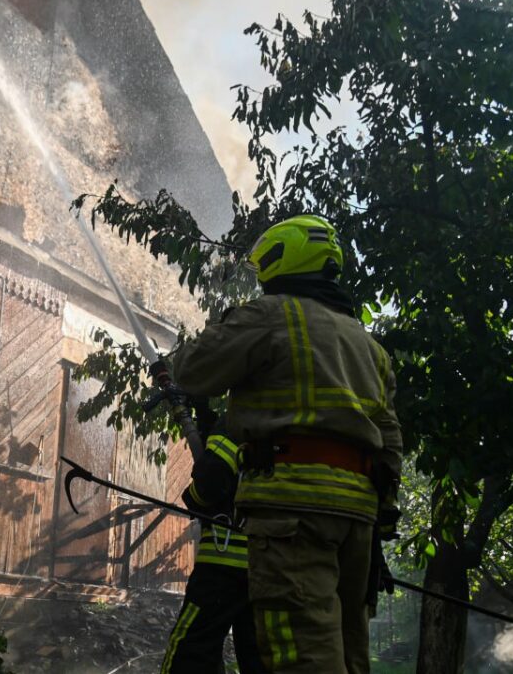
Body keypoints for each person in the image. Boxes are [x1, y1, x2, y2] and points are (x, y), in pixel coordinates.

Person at [172, 215, 403, 674]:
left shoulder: (272, 314)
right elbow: (390, 439)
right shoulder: (367, 345)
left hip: (292, 515)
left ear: (284, 259)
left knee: (300, 656)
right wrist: (384, 512)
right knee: (348, 650)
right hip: (357, 522)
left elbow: (192, 371)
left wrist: (225, 328)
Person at [159, 414, 265, 674]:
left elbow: (209, 483)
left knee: (189, 651)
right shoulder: (292, 420)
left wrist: (192, 497)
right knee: (261, 657)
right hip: (271, 564)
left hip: (224, 564)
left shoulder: (236, 422)